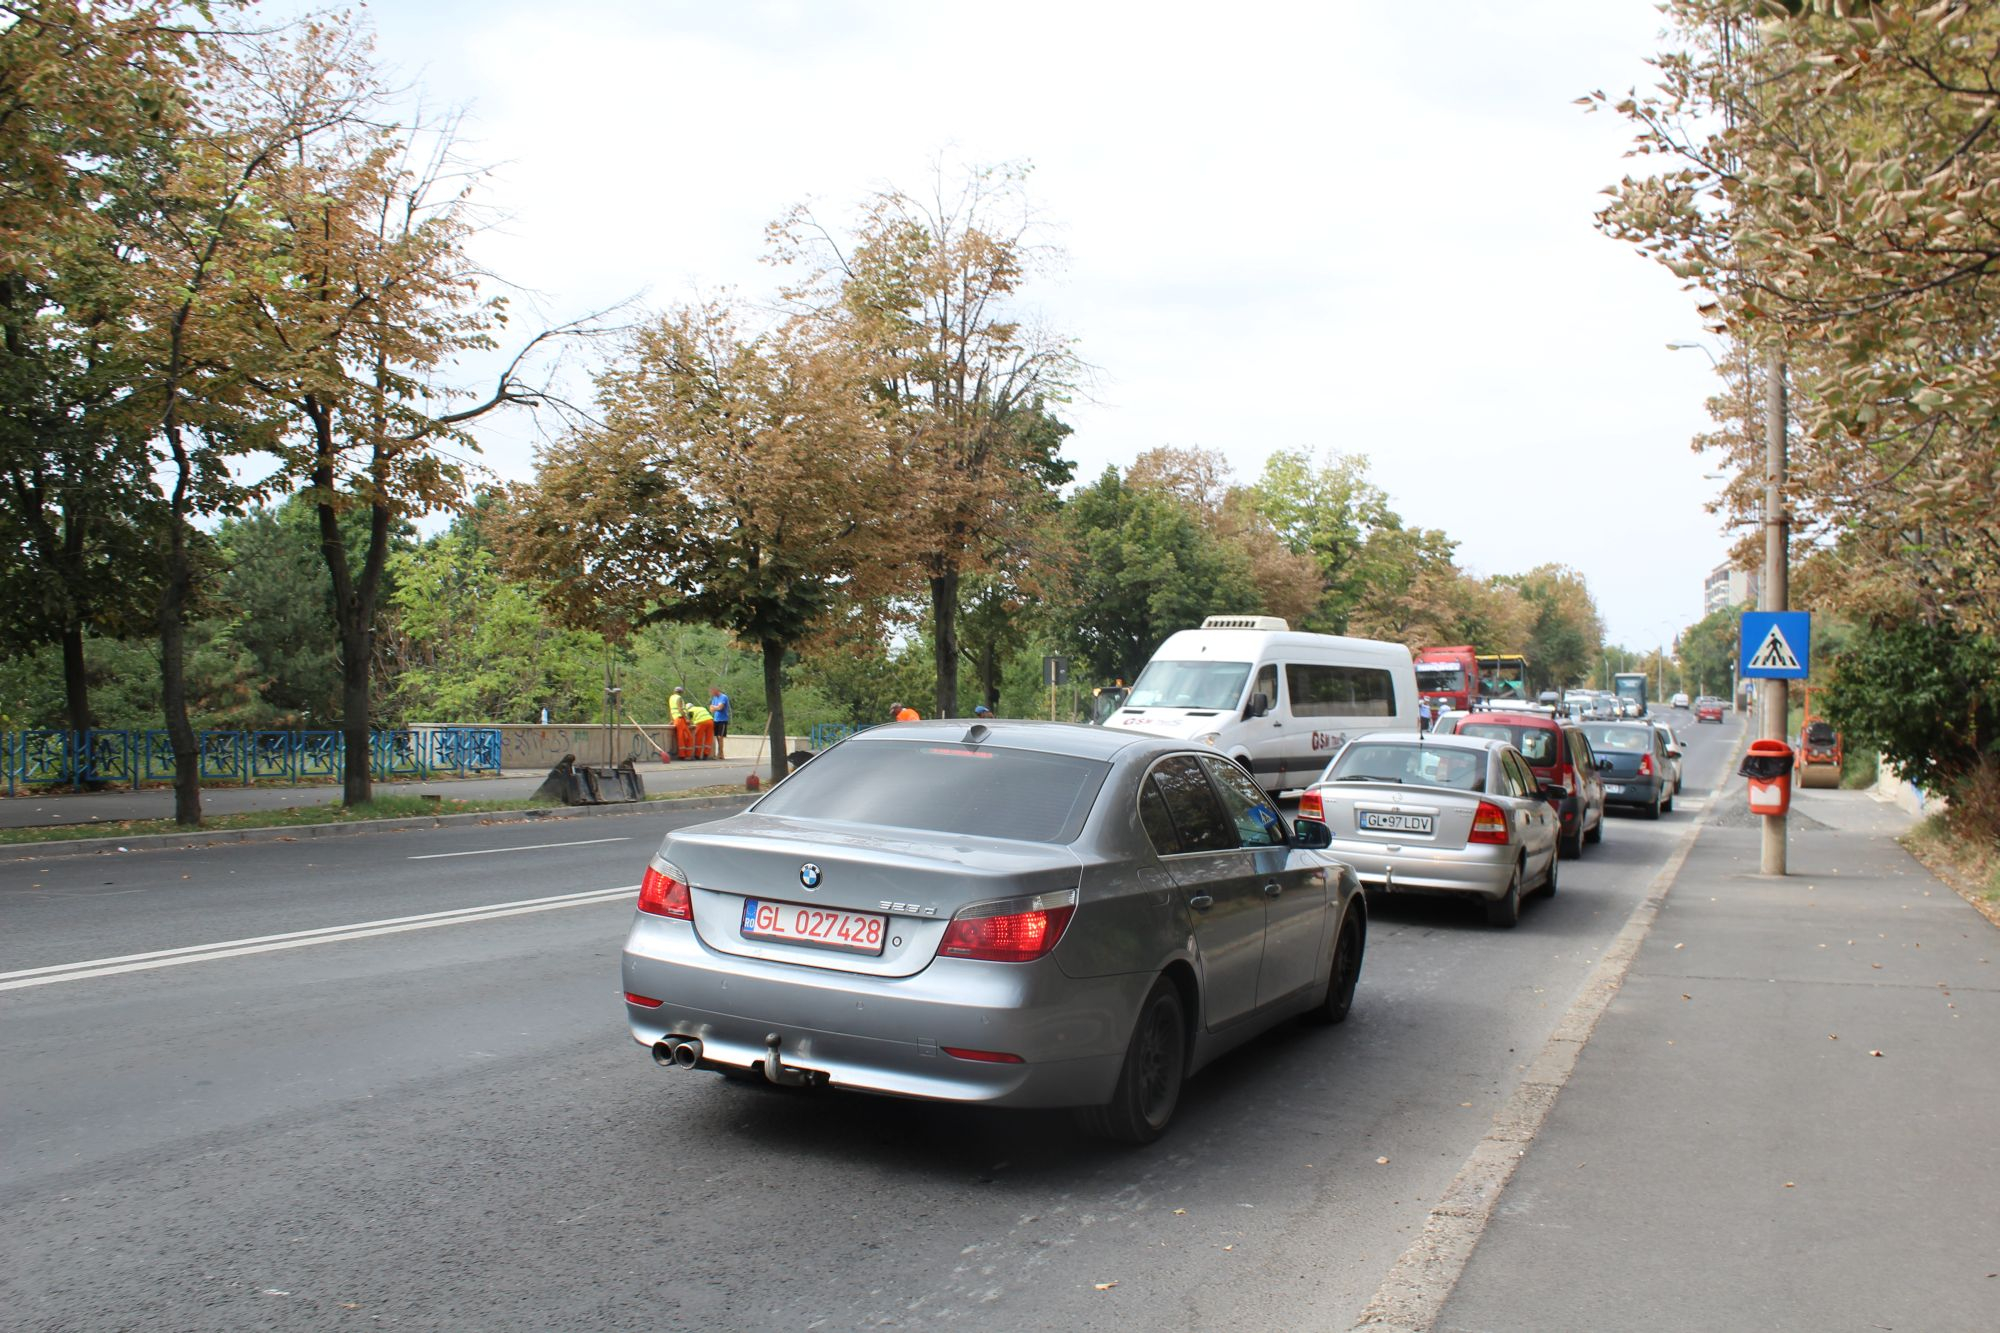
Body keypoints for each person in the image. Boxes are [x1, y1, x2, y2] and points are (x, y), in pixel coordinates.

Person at [669, 685, 693, 761]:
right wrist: (686, 719)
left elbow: (671, 710)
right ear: (681, 692)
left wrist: (672, 719)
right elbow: (680, 709)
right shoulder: (679, 698)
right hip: (680, 719)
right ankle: (686, 755)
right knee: (688, 738)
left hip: (675, 719)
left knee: (681, 737)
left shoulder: (671, 698)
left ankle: (682, 755)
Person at [708, 685, 731, 758]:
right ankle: (721, 753)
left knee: (720, 736)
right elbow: (711, 708)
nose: (711, 693)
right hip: (716, 719)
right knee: (717, 737)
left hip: (723, 719)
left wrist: (715, 707)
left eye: (712, 691)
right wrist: (715, 707)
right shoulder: (714, 698)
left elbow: (720, 707)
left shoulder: (723, 697)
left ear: (716, 690)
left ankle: (720, 753)